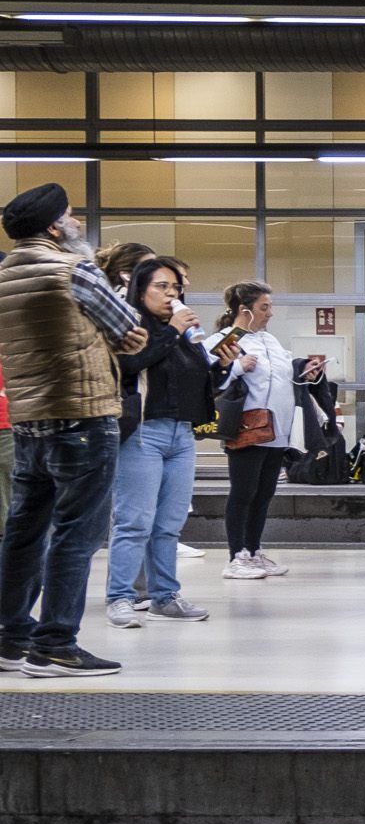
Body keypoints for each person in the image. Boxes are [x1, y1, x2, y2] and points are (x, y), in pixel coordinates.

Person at [0, 182, 144, 675]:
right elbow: (129, 329)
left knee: (23, 532)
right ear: (54, 226)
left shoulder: (4, 274)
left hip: (28, 421)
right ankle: (55, 644)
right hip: (83, 416)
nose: (77, 221)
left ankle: (10, 637)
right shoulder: (74, 268)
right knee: (75, 535)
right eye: (70, 214)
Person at [106, 256, 214, 627]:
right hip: (143, 432)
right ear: (140, 288)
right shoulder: (128, 323)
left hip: (181, 432)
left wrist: (223, 365)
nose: (171, 294)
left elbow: (194, 377)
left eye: (176, 287)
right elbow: (128, 366)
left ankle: (165, 597)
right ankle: (121, 597)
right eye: (162, 286)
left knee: (168, 524)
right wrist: (171, 329)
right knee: (133, 521)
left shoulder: (182, 331)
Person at [207, 281, 300, 583]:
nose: (270, 313)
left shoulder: (271, 341)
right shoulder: (225, 340)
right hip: (248, 427)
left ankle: (254, 549)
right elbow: (208, 382)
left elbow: (284, 376)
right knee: (243, 493)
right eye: (264, 307)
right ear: (244, 310)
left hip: (277, 430)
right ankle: (237, 556)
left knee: (263, 494)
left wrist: (306, 371)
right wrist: (236, 367)